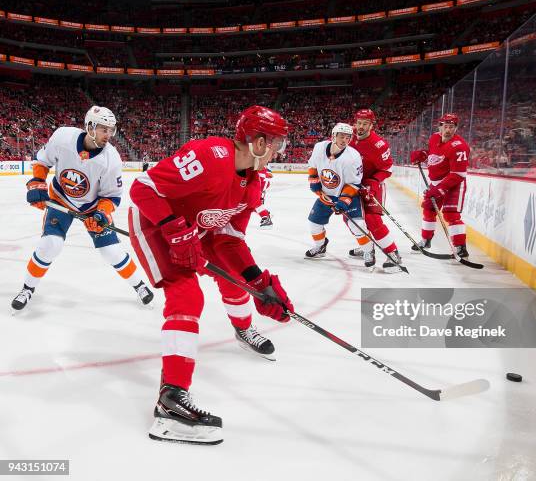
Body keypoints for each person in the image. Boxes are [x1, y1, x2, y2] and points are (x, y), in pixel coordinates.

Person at [128, 105, 294, 445]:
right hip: (153, 222)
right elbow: (142, 189)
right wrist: (174, 229)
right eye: (276, 143)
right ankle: (170, 404)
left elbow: (229, 241)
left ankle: (242, 331)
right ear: (259, 143)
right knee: (187, 294)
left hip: (191, 230)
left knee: (229, 280)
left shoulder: (253, 183)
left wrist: (259, 283)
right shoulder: (210, 155)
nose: (279, 151)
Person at [11, 106, 153, 313]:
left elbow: (112, 196)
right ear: (90, 126)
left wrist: (100, 214)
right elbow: (42, 161)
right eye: (104, 129)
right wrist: (37, 182)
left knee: (111, 252)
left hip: (92, 207)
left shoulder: (111, 158)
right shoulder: (63, 137)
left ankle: (139, 285)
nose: (109, 135)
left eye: (111, 130)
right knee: (50, 245)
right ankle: (27, 288)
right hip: (60, 199)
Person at [305, 122, 375, 268]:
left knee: (357, 225)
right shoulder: (319, 147)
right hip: (326, 195)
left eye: (348, 137)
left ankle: (368, 250)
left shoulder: (352, 157)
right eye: (341, 136)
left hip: (347, 196)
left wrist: (343, 201)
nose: (345, 140)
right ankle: (320, 246)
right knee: (314, 224)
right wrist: (314, 181)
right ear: (333, 136)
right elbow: (313, 166)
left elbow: (353, 183)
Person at [349, 109, 403, 273]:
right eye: (359, 123)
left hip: (372, 185)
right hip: (352, 185)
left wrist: (372, 183)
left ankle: (393, 254)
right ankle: (367, 246)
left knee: (372, 219)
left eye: (365, 124)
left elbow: (387, 169)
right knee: (353, 218)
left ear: (372, 125)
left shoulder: (379, 144)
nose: (361, 127)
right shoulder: (347, 136)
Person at [410, 113, 471, 258]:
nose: (448, 130)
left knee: (451, 215)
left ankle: (460, 247)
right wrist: (422, 155)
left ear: (456, 128)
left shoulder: (460, 146)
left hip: (454, 185)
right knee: (428, 210)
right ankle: (426, 240)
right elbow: (434, 155)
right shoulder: (434, 138)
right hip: (436, 184)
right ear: (440, 127)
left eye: (451, 127)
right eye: (445, 126)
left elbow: (458, 174)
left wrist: (439, 189)